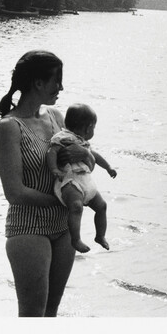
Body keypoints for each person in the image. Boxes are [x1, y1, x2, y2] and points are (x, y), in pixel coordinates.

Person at [0, 50, 91, 316]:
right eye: (56, 80)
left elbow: (81, 162)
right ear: (38, 83)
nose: (60, 87)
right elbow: (14, 192)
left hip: (63, 229)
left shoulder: (56, 117)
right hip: (28, 229)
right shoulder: (9, 126)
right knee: (32, 315)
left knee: (51, 312)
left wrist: (85, 155)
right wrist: (62, 201)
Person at [46, 103, 117, 253]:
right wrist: (54, 169)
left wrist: (108, 168)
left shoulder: (83, 142)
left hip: (85, 181)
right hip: (70, 181)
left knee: (102, 206)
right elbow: (52, 152)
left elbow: (95, 157)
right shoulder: (63, 137)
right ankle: (76, 239)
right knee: (76, 207)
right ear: (87, 127)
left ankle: (100, 236)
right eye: (93, 127)